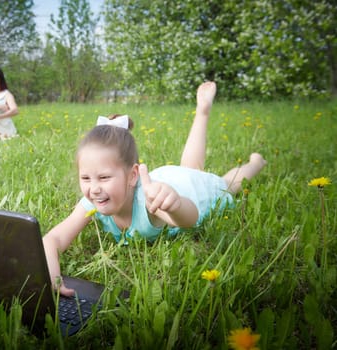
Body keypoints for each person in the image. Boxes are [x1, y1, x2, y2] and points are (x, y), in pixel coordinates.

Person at [42, 82, 267, 296]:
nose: (94, 189)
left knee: (228, 184)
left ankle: (256, 163)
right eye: (86, 178)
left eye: (103, 177)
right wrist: (52, 276)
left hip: (186, 189)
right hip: (170, 177)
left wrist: (176, 205)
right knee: (190, 167)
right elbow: (53, 239)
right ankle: (202, 111)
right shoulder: (92, 201)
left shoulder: (150, 201)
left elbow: (189, 220)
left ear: (132, 176)